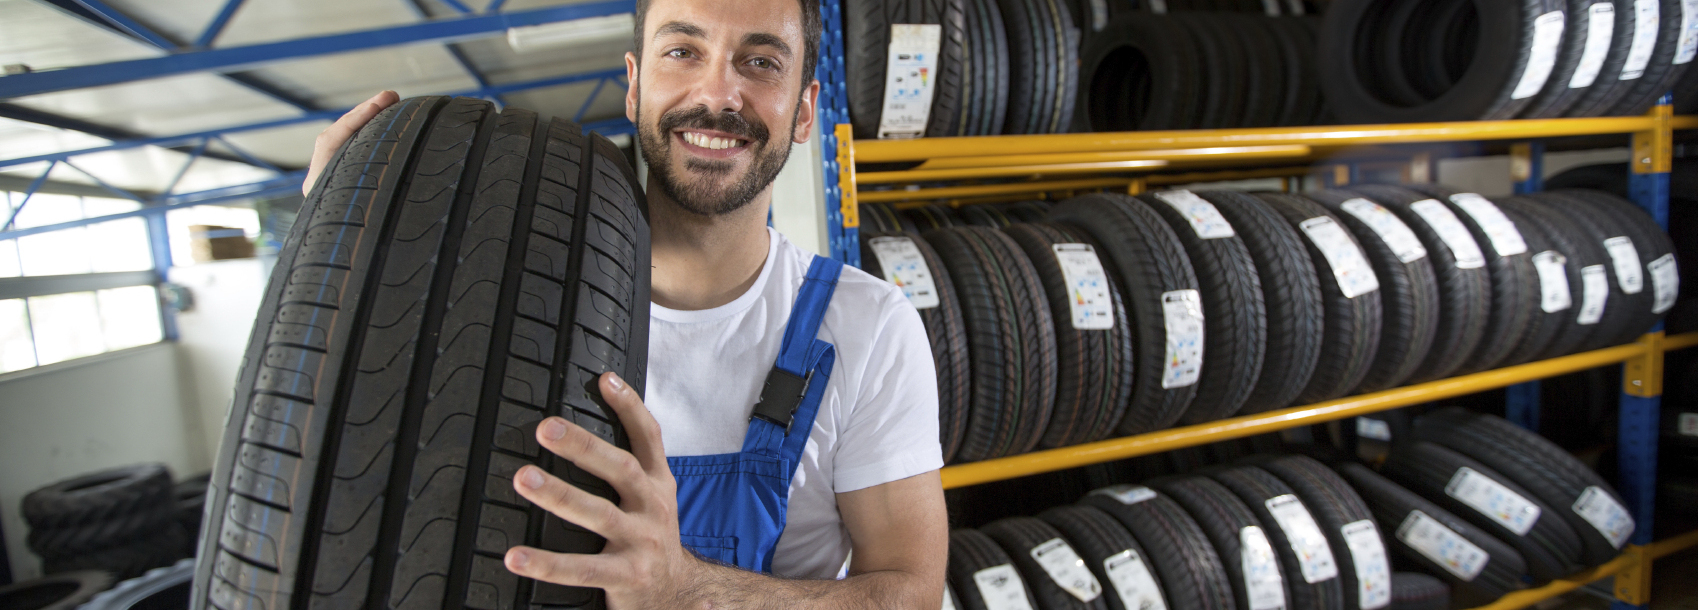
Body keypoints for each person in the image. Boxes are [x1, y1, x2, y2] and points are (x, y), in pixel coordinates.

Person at [301, 0, 947, 607]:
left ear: (804, 111)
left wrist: (688, 590)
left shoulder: (869, 329)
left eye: (760, 62)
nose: (719, 95)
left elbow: (911, 592)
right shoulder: (512, 307)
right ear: (634, 86)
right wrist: (336, 248)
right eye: (683, 52)